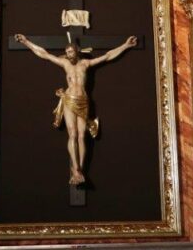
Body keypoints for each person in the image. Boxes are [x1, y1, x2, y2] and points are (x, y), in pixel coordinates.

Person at [14, 33, 138, 184]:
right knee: (72, 134)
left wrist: (125, 45)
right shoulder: (65, 64)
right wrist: (26, 42)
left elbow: (107, 56)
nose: (69, 54)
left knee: (81, 136)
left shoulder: (85, 64)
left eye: (71, 52)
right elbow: (44, 54)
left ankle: (80, 169)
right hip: (69, 99)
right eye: (67, 52)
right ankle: (76, 168)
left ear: (77, 51)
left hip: (83, 101)